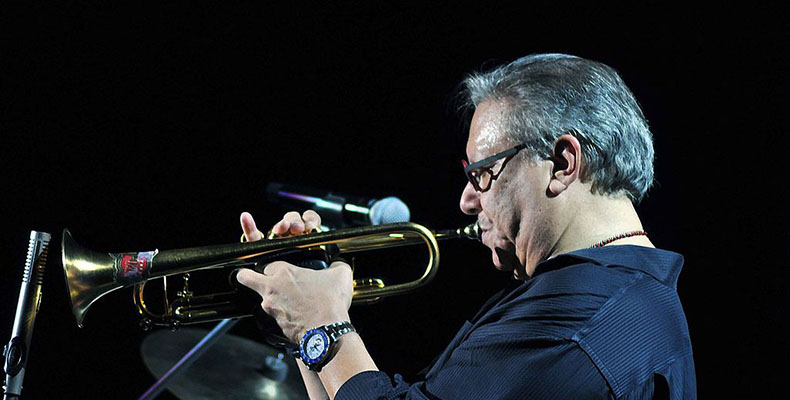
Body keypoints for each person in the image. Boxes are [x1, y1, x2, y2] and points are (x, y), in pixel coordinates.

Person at [236, 53, 696, 399]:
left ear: (562, 163)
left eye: (482, 173)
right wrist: (299, 325)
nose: (467, 200)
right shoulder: (611, 296)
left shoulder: (581, 320)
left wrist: (324, 326)